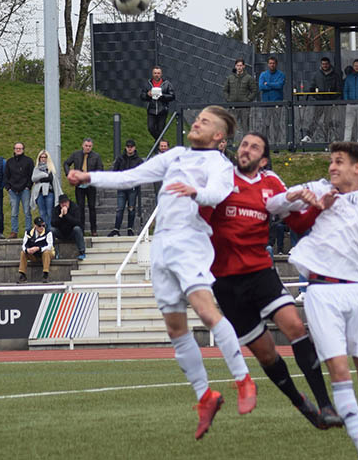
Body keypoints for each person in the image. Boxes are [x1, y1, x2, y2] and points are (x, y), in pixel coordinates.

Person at [68, 106, 257, 440]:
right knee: (175, 327)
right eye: (198, 117)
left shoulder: (219, 164)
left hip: (191, 242)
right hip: (163, 245)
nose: (197, 122)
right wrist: (89, 177)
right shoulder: (176, 156)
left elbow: (217, 193)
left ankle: (243, 379)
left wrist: (195, 192)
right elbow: (132, 176)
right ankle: (205, 397)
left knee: (205, 310)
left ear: (219, 137)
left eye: (206, 121)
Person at [265, 142, 358, 460]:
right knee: (338, 369)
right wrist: (297, 197)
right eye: (331, 161)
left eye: (339, 162)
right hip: (322, 292)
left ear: (357, 167)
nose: (332, 167)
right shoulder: (318, 188)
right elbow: (272, 204)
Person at [203, 131, 342, 430]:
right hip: (226, 283)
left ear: (263, 159)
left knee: (294, 326)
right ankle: (300, 403)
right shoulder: (221, 179)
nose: (246, 150)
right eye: (244, 144)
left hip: (260, 271)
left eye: (254, 147)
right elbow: (199, 214)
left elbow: (298, 222)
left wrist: (318, 206)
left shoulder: (272, 184)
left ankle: (326, 404)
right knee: (266, 353)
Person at [63, 138, 103, 236]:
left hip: (90, 185)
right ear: (82, 145)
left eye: (89, 146)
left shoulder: (96, 156)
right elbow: (66, 163)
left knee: (92, 207)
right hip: (79, 185)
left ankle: (94, 230)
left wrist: (93, 177)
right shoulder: (76, 154)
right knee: (80, 207)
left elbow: (100, 168)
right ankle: (81, 229)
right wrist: (69, 174)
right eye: (86, 146)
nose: (88, 148)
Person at [109, 140, 143, 236]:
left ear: (134, 147)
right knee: (120, 208)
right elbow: (115, 171)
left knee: (131, 209)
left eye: (131, 146)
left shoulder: (138, 160)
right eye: (128, 146)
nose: (129, 148)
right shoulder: (120, 158)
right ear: (125, 147)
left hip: (132, 188)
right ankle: (116, 229)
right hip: (122, 187)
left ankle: (130, 228)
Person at [304, 57, 343, 142]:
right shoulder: (317, 74)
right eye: (323, 64)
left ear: (329, 64)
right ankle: (308, 136)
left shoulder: (335, 75)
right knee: (315, 119)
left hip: (330, 102)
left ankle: (327, 139)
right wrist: (316, 95)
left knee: (327, 121)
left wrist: (334, 98)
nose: (324, 65)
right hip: (320, 101)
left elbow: (339, 88)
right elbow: (312, 87)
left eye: (326, 64)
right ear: (321, 64)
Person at [4, 142, 34, 238]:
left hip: (25, 190)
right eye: (16, 148)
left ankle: (28, 231)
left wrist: (28, 186)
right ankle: (14, 231)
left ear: (23, 149)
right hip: (13, 190)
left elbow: (31, 175)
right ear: (14, 149)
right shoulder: (9, 162)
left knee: (27, 211)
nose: (18, 150)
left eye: (20, 148)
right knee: (14, 212)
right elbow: (6, 176)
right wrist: (8, 188)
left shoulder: (29, 161)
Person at [142, 66, 176, 142]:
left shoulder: (167, 84)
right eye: (155, 73)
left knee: (160, 130)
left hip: (162, 110)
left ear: (161, 74)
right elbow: (142, 96)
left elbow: (172, 96)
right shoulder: (148, 83)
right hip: (151, 110)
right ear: (152, 74)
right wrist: (148, 95)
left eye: (158, 73)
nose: (156, 75)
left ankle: (158, 145)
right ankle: (161, 142)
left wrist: (162, 96)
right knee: (150, 128)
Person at [31, 150, 62, 230]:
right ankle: (43, 230)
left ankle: (50, 230)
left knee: (49, 212)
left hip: (49, 193)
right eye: (41, 157)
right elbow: (34, 178)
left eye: (45, 157)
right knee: (42, 213)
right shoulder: (36, 169)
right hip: (39, 193)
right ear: (39, 158)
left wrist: (41, 179)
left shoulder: (51, 168)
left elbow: (51, 179)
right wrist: (44, 175)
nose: (43, 159)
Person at [18, 216, 54, 284]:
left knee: (46, 252)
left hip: (47, 254)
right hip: (34, 255)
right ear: (35, 226)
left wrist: (38, 248)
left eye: (43, 225)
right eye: (39, 225)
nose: (41, 227)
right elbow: (24, 245)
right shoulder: (28, 233)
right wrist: (27, 250)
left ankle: (45, 274)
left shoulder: (48, 232)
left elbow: (49, 246)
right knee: (23, 253)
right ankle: (22, 274)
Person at [52, 194, 86, 260]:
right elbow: (53, 223)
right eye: (62, 203)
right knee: (51, 230)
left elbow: (78, 223)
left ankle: (82, 252)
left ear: (68, 202)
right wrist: (61, 216)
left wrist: (67, 215)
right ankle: (54, 252)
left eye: (65, 202)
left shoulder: (75, 207)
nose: (64, 204)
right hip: (61, 232)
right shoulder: (56, 209)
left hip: (71, 232)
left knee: (77, 229)